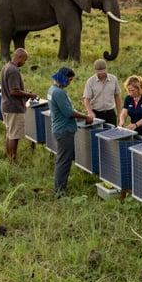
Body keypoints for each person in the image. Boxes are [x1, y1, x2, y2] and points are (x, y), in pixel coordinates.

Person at [47, 66, 92, 195]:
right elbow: (68, 112)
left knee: (64, 159)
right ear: (63, 78)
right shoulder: (58, 93)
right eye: (69, 80)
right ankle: (60, 190)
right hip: (64, 130)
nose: (69, 83)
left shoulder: (52, 89)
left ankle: (60, 187)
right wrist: (86, 117)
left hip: (59, 128)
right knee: (64, 161)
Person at [0, 48, 36, 161]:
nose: (25, 62)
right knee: (14, 136)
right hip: (14, 108)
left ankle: (9, 157)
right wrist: (29, 95)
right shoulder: (13, 70)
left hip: (6, 105)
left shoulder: (6, 67)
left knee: (10, 134)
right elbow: (13, 91)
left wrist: (25, 95)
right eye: (25, 60)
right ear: (19, 57)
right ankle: (13, 160)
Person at [83, 59, 121, 126]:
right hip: (96, 113)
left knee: (112, 131)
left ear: (106, 69)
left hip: (110, 112)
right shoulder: (90, 81)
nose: (101, 74)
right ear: (95, 71)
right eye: (99, 73)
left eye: (103, 72)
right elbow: (86, 99)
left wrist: (119, 113)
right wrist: (90, 112)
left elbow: (117, 96)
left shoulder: (113, 79)